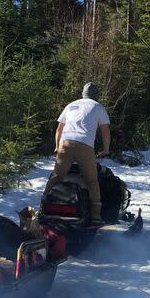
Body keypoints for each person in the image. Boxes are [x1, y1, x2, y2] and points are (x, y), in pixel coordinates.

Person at [43, 82, 111, 224]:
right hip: (84, 146)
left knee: (56, 177)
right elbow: (105, 131)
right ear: (96, 95)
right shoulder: (98, 106)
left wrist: (57, 147)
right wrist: (106, 149)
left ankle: (43, 206)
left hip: (65, 143)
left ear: (83, 94)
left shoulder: (71, 105)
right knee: (92, 181)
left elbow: (59, 129)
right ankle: (96, 216)